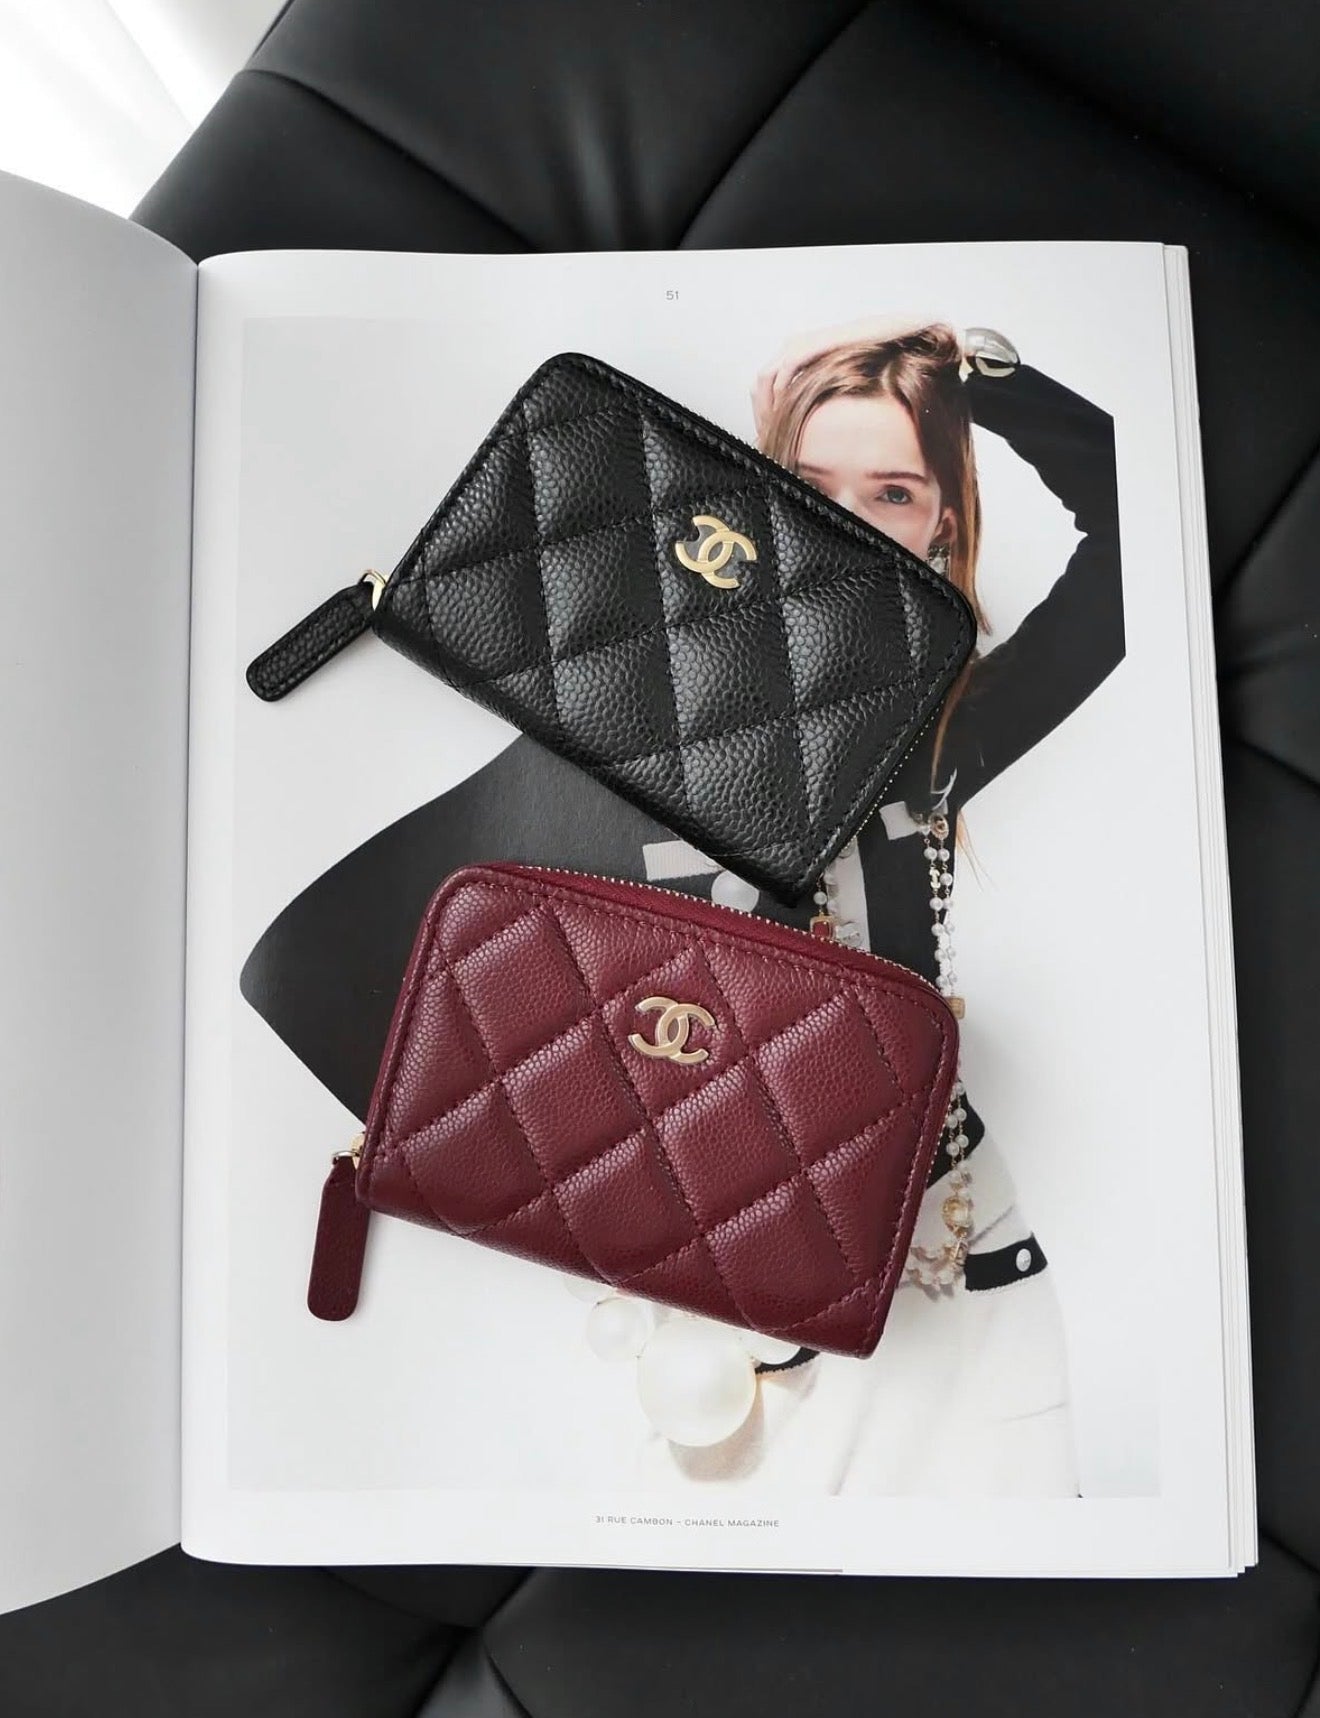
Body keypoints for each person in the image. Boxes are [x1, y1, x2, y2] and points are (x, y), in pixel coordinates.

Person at [242, 319, 1123, 1496]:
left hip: (934, 1258)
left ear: (943, 524)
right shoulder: (605, 732)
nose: (853, 519)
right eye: (814, 489)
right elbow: (305, 970)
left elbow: (1116, 542)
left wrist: (979, 370)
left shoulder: (949, 729)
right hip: (680, 1272)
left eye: (894, 491)